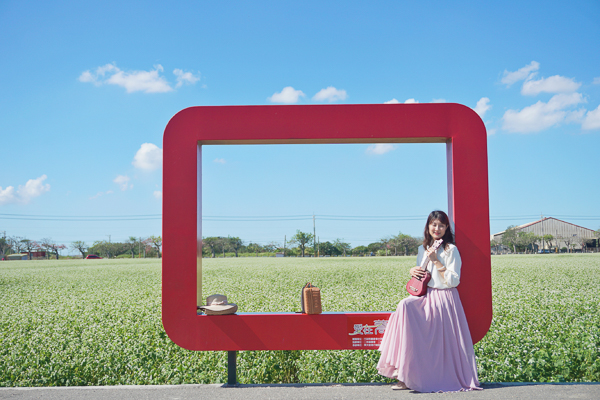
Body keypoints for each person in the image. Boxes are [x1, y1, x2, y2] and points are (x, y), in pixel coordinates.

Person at [377, 210, 481, 392]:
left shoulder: (451, 250)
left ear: (447, 227)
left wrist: (436, 261)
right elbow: (422, 276)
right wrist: (413, 270)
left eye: (441, 225)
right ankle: (402, 375)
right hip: (426, 296)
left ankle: (420, 378)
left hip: (445, 298)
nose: (437, 228)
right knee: (404, 306)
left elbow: (454, 280)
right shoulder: (422, 248)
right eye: (434, 224)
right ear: (428, 227)